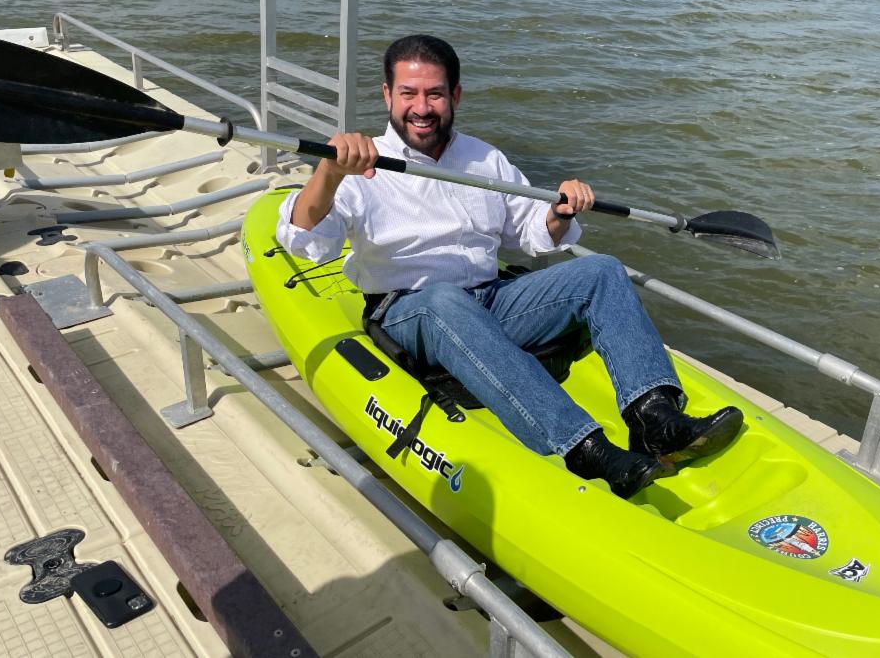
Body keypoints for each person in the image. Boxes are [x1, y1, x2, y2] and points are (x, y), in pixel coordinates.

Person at [276, 34, 743, 498]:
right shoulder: (360, 166)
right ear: (387, 95)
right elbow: (302, 239)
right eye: (408, 93)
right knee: (443, 300)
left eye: (434, 94)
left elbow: (531, 234)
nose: (421, 107)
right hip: (409, 310)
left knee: (601, 270)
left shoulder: (485, 159)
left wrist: (560, 212)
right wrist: (330, 172)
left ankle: (655, 419)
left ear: (455, 96)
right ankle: (586, 449)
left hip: (489, 299)